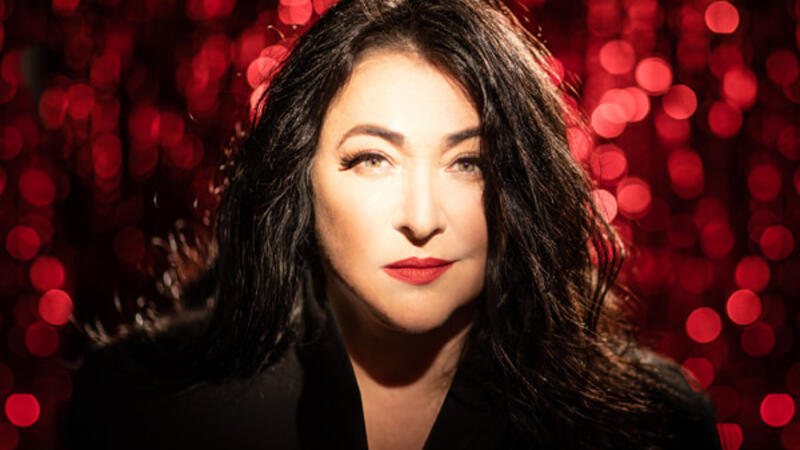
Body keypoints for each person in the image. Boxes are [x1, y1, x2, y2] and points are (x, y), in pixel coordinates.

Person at [67, 0, 723, 449]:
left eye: (468, 163)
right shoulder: (142, 409)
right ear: (298, 177)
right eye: (372, 159)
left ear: (519, 187)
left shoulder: (649, 426)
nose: (422, 218)